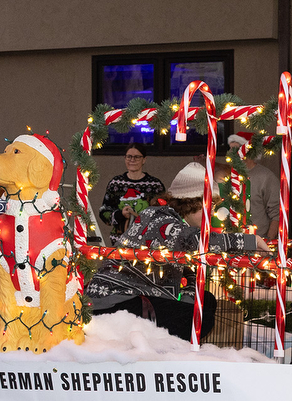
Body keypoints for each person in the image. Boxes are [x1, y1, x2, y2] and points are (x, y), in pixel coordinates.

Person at [86, 163, 261, 341]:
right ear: (192, 202)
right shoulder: (160, 219)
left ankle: (174, 345)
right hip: (114, 302)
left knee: (205, 301)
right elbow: (194, 240)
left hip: (136, 297)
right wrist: (249, 241)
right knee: (200, 318)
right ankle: (167, 348)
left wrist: (187, 302)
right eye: (209, 206)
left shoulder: (170, 221)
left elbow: (189, 271)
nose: (212, 213)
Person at [97, 144, 164, 239]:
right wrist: (120, 214)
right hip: (120, 239)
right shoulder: (115, 183)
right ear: (125, 158)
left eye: (137, 157)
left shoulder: (155, 185)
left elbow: (164, 213)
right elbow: (104, 212)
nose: (132, 160)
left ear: (144, 159)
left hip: (147, 240)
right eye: (129, 156)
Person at [228, 133, 281, 238]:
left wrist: (267, 243)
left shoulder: (266, 177)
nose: (230, 153)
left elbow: (276, 215)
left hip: (258, 241)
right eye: (230, 149)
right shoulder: (231, 175)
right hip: (233, 241)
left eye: (235, 149)